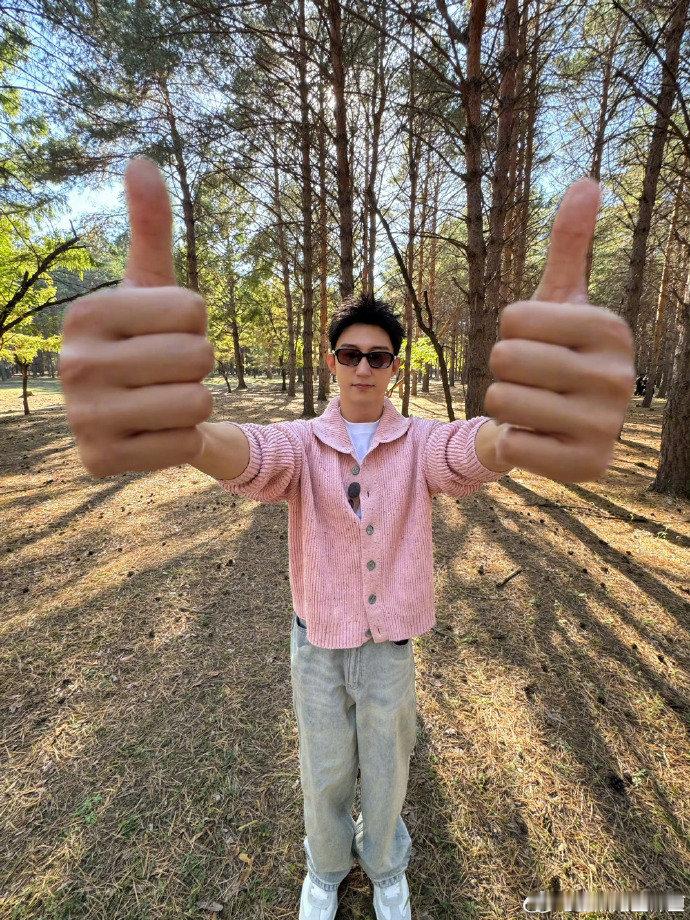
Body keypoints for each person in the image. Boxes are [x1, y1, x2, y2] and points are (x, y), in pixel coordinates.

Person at [58, 158, 636, 920]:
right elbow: (253, 456)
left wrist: (517, 433)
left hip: (391, 645)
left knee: (388, 771)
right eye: (351, 354)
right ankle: (326, 868)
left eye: (379, 356)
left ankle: (386, 865)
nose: (364, 367)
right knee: (325, 769)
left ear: (394, 366)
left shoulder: (418, 443)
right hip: (316, 643)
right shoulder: (302, 443)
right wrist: (189, 436)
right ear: (332, 362)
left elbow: (469, 451)